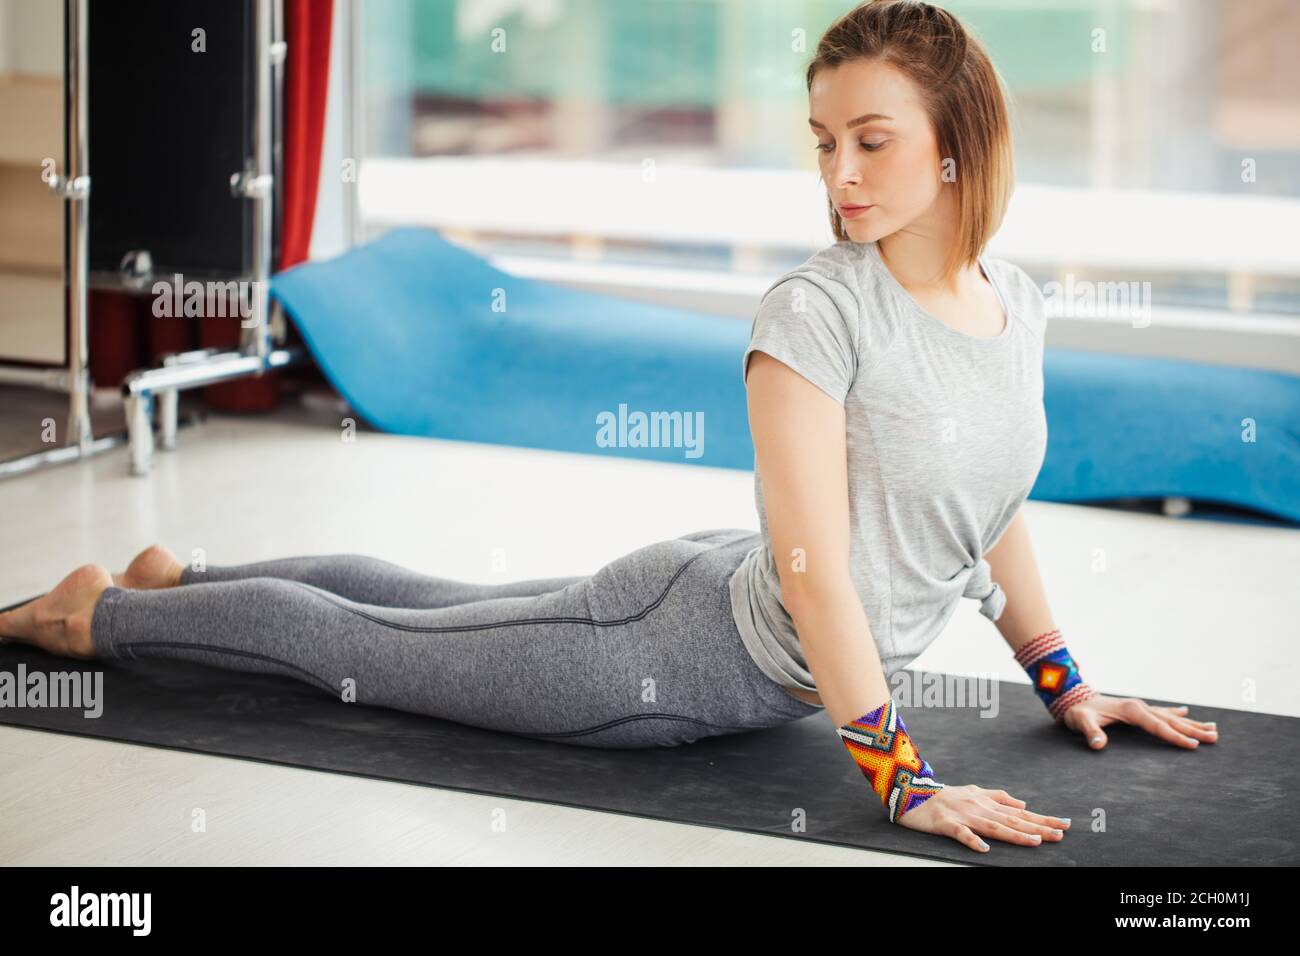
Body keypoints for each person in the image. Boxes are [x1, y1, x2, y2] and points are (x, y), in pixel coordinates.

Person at [0, 0, 1216, 855]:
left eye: (871, 140)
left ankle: (181, 576)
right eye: (823, 141)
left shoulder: (1017, 305)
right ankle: (94, 614)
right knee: (371, 651)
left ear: (955, 146)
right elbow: (816, 576)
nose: (837, 173)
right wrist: (902, 784)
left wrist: (1062, 679)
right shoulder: (812, 310)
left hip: (708, 591)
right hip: (678, 651)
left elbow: (989, 511)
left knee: (423, 597)